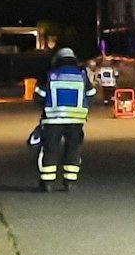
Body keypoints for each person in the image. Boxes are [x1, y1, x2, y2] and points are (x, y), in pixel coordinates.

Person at [36, 48, 93, 190]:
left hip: (53, 120)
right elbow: (91, 94)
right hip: (76, 120)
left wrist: (46, 105)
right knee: (73, 148)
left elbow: (39, 96)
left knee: (51, 148)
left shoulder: (50, 75)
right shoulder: (82, 75)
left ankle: (47, 182)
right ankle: (70, 181)